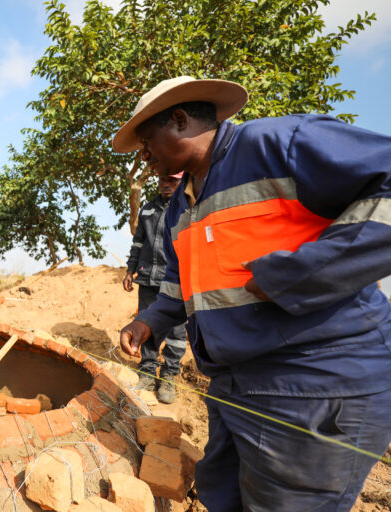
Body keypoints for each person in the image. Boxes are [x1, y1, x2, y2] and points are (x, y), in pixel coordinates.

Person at [113, 76, 391, 511]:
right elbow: (181, 286)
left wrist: (301, 272)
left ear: (180, 120)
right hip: (234, 383)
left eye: (147, 144)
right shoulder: (180, 207)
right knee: (222, 495)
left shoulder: (280, 143)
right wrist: (149, 321)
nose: (145, 158)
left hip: (315, 381)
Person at [123, 172, 187, 403]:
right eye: (162, 180)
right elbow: (138, 243)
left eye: (172, 180)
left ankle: (169, 375)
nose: (165, 185)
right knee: (146, 325)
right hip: (148, 278)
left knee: (177, 332)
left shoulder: (187, 208)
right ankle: (148, 372)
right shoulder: (148, 209)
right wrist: (130, 270)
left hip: (175, 280)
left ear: (181, 182)